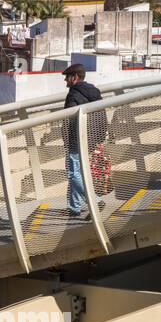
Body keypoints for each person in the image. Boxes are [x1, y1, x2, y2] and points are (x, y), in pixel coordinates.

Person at [62, 63, 104, 220]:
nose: (65, 81)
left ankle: (94, 201)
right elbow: (101, 114)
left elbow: (69, 120)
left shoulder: (73, 95)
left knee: (73, 174)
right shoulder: (94, 92)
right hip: (90, 139)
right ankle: (74, 207)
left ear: (75, 77)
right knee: (78, 172)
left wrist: (66, 138)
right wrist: (98, 137)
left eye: (67, 77)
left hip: (76, 140)